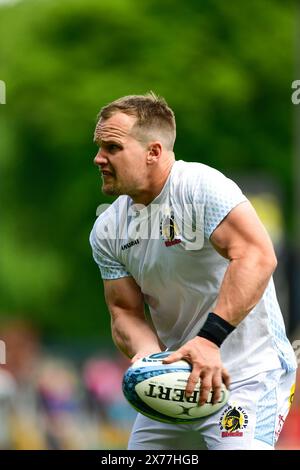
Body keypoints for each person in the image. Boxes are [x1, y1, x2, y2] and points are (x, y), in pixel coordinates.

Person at [89, 92, 297, 450]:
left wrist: (207, 341)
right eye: (99, 147)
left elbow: (257, 257)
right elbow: (124, 311)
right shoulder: (107, 229)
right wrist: (148, 360)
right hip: (177, 379)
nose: (99, 158)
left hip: (247, 377)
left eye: (112, 148)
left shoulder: (201, 188)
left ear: (153, 151)